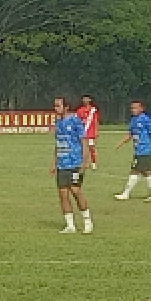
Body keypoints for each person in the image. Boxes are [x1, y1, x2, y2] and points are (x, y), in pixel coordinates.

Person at [51, 97, 93, 234]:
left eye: (58, 105)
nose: (55, 108)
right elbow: (58, 144)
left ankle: (87, 222)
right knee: (63, 194)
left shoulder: (75, 121)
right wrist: (54, 162)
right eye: (55, 105)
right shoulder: (58, 123)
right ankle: (70, 225)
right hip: (62, 164)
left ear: (66, 107)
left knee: (75, 191)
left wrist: (85, 161)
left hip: (75, 162)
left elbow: (84, 141)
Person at [115, 100, 151, 201]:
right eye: (132, 108)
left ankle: (127, 194)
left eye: (135, 108)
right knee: (143, 171)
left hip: (145, 149)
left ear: (141, 108)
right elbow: (130, 134)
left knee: (139, 171)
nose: (133, 110)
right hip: (138, 150)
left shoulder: (146, 119)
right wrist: (121, 143)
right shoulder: (133, 120)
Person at [75, 94, 99, 170]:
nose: (85, 100)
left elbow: (96, 121)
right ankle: (84, 163)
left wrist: (96, 131)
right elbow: (77, 121)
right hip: (82, 132)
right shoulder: (79, 110)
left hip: (90, 132)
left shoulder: (93, 110)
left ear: (90, 100)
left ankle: (93, 163)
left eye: (86, 99)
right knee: (82, 148)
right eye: (84, 99)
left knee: (91, 148)